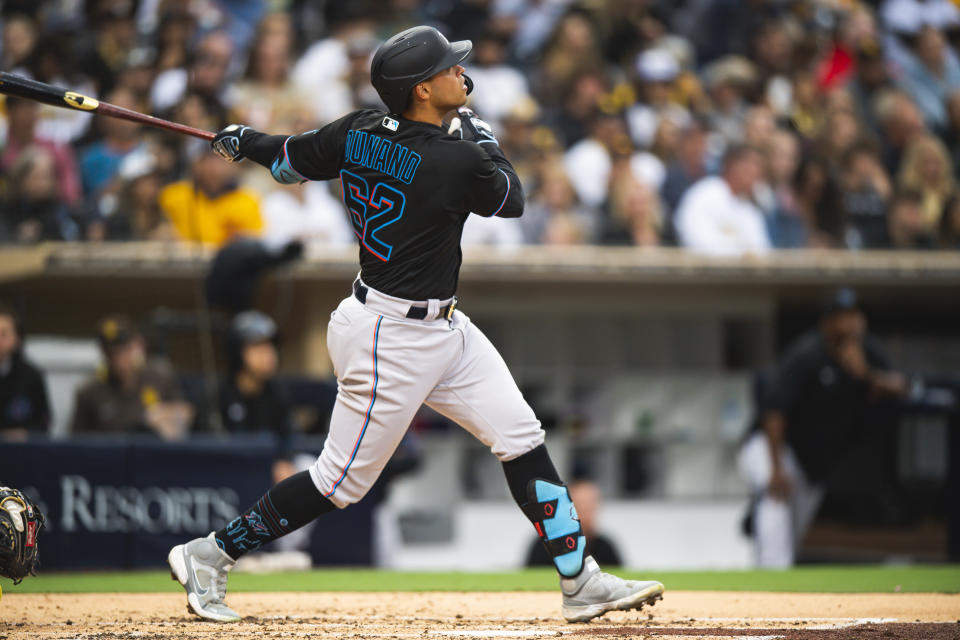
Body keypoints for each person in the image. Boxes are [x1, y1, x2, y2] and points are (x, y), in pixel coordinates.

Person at [167, 25, 663, 624]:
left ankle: (579, 580)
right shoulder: (455, 158)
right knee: (338, 483)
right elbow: (511, 196)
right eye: (450, 68)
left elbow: (290, 160)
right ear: (422, 90)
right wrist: (479, 131)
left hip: (442, 328)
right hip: (388, 337)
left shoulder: (357, 131)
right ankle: (210, 554)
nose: (462, 72)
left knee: (521, 435)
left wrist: (244, 141)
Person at [738, 288, 908, 567]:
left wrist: (866, 375)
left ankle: (773, 578)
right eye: (842, 316)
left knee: (793, 531)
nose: (851, 322)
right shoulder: (807, 355)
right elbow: (774, 410)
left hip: (813, 460)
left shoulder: (866, 351)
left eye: (854, 315)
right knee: (776, 503)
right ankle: (769, 579)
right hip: (774, 447)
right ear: (826, 323)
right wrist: (777, 467)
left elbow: (901, 386)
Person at [70, 315, 192, 439]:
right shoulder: (90, 391)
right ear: (103, 352)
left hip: (153, 452)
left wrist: (163, 415)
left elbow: (185, 411)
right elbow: (76, 442)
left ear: (138, 345)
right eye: (111, 353)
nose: (118, 359)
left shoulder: (159, 376)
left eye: (124, 350)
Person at [220, 311, 296, 485]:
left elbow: (288, 437)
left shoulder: (278, 394)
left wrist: (284, 460)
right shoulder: (218, 394)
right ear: (237, 352)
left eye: (270, 347)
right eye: (258, 347)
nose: (269, 355)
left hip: (270, 479)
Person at [674, 144, 772, 256]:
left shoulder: (750, 209)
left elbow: (762, 251)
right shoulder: (705, 192)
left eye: (759, 167)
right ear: (732, 164)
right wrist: (739, 253)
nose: (755, 172)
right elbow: (692, 238)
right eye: (751, 164)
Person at [526, 479, 622, 568]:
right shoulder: (545, 545)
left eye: (591, 505)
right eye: (581, 504)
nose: (587, 511)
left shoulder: (604, 547)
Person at [0, 303, 51, 441]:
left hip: (21, 452)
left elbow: (45, 420)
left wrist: (26, 433)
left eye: (4, 334)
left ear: (16, 338)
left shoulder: (31, 376)